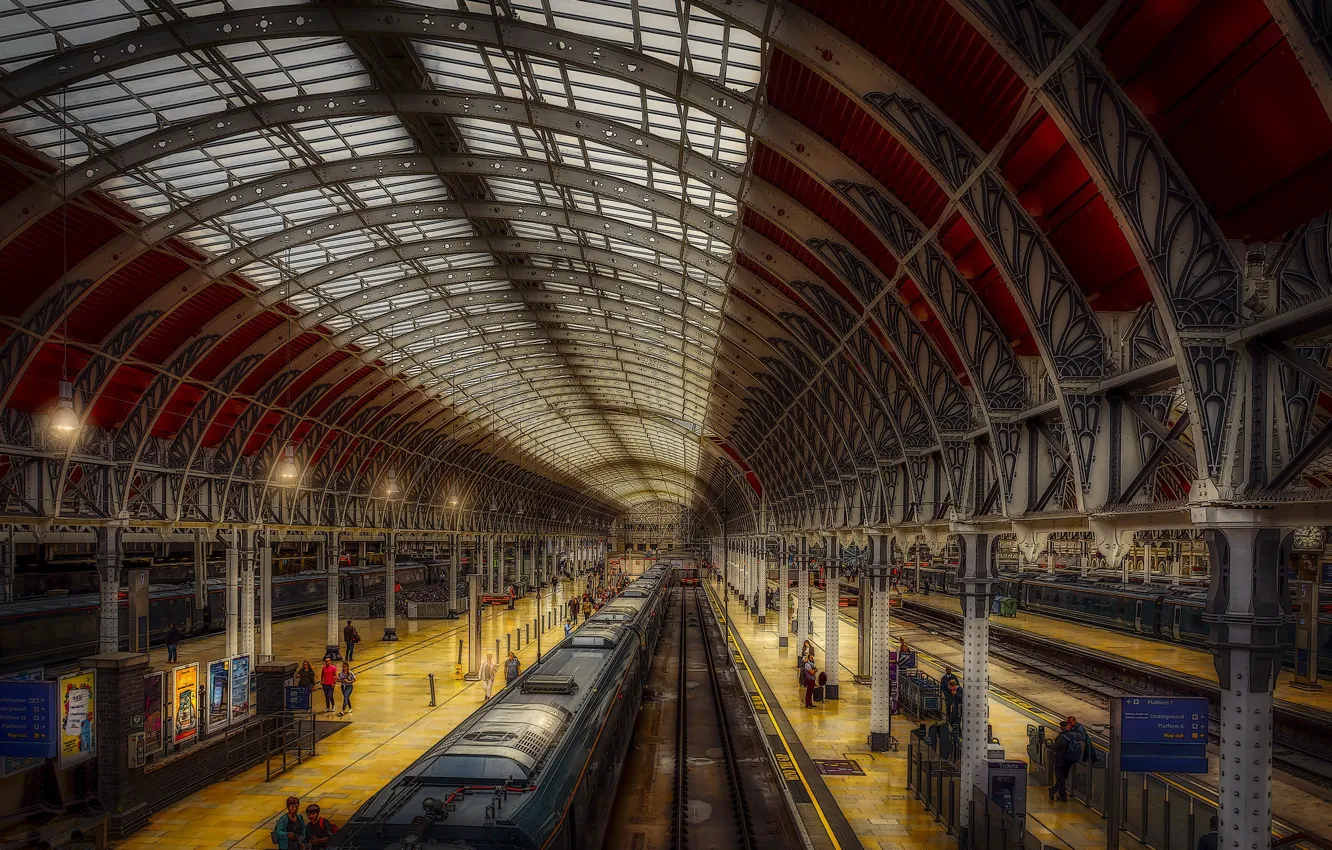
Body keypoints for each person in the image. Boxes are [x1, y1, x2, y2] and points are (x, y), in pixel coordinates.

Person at [1050, 719, 1081, 802]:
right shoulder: (1074, 735)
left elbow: (1054, 748)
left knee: (1060, 778)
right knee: (1063, 778)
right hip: (1070, 760)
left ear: (1061, 728)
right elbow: (1080, 737)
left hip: (1060, 761)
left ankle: (1058, 793)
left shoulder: (1060, 738)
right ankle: (1056, 792)